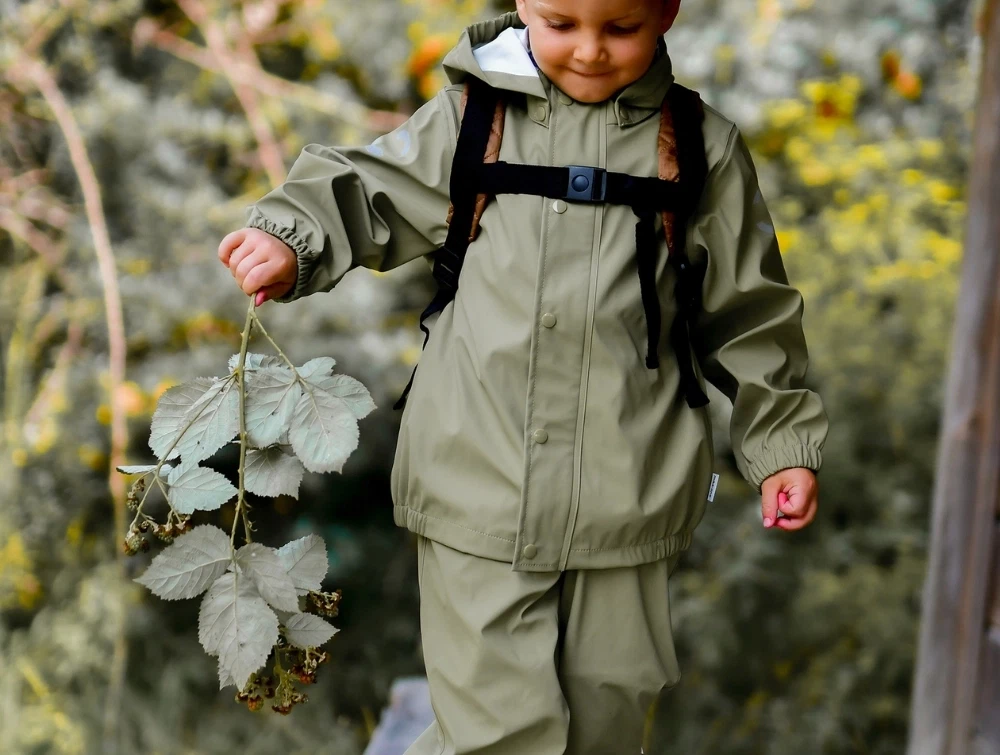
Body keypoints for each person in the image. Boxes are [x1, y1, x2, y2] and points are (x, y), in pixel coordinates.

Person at [218, 0, 829, 752]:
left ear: (667, 11)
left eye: (621, 28)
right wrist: (290, 238)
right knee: (501, 732)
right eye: (562, 24)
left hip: (628, 494)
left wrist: (781, 444)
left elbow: (750, 315)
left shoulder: (700, 148)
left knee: (607, 718)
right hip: (477, 481)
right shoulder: (474, 121)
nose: (590, 51)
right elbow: (367, 187)